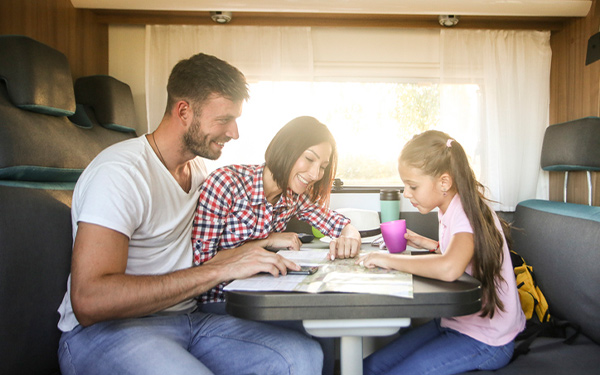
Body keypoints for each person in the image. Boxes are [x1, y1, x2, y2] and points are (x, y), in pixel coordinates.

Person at [56, 53, 323, 375]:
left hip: (186, 319)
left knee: (302, 356)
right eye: (224, 119)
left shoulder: (198, 170)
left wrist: (259, 246)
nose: (234, 132)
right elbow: (90, 301)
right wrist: (219, 270)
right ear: (184, 111)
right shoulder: (121, 173)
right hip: (109, 330)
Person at [191, 116, 361, 375]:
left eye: (323, 166)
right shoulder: (226, 184)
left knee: (326, 328)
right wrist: (266, 241)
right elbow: (201, 264)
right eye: (310, 159)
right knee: (318, 333)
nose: (316, 174)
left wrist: (350, 235)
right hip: (221, 303)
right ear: (286, 149)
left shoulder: (292, 196)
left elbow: (338, 223)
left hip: (264, 297)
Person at [357, 130, 526, 375]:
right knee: (369, 367)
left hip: (487, 339)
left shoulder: (467, 212)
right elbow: (464, 254)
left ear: (444, 183)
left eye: (412, 186)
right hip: (455, 321)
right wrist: (431, 244)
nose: (406, 193)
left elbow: (450, 268)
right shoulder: (447, 206)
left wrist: (387, 259)